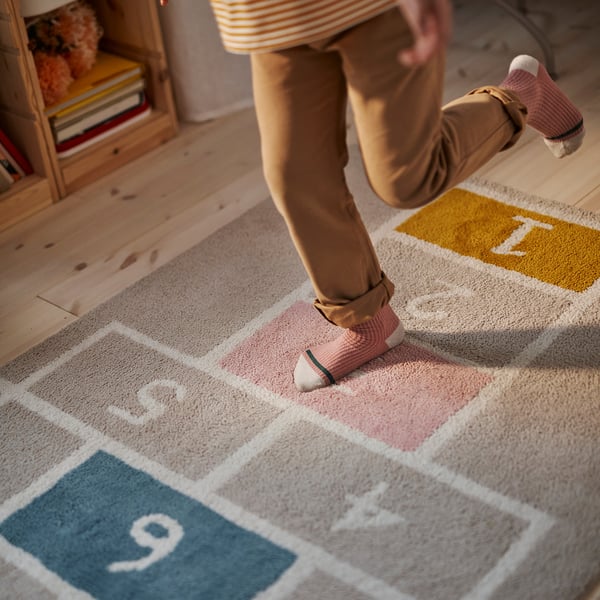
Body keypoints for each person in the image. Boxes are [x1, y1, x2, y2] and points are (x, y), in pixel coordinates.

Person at [160, 0, 584, 392]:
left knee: (407, 178)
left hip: (375, 8)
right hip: (274, 17)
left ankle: (523, 95)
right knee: (297, 177)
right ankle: (368, 323)